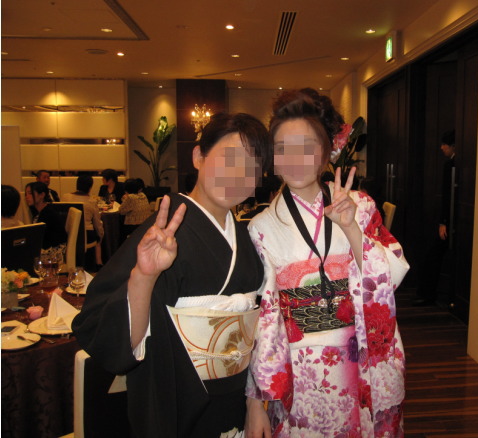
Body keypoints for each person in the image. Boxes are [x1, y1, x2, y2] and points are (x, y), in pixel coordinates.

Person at [73, 113, 271, 438]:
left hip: (238, 400)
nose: (239, 175)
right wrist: (143, 276)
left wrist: (254, 402)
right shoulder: (162, 233)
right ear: (198, 156)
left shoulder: (246, 239)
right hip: (178, 403)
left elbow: (260, 332)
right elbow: (105, 331)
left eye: (252, 167)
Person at [245, 89, 409, 437]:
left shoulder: (360, 206)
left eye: (306, 147)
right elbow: (264, 322)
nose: (294, 159)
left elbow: (393, 275)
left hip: (362, 359)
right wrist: (255, 401)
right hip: (301, 371)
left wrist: (350, 228)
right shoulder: (261, 227)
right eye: (283, 148)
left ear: (326, 151)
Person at [413, 130, 456, 306]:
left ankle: (428, 294)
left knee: (433, 256)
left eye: (445, 144)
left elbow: (448, 196)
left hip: (450, 221)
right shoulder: (451, 164)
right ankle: (427, 293)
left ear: (453, 146)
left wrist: (443, 222)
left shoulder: (451, 165)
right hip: (450, 220)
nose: (442, 147)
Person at [61, 175, 104, 267]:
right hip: (87, 235)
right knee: (98, 235)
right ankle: (98, 264)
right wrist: (101, 235)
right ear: (90, 187)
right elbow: (97, 223)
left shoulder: (65, 197)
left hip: (68, 233)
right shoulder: (91, 201)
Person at [25, 182, 67, 251]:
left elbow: (42, 240)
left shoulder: (48, 214)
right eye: (26, 194)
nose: (27, 197)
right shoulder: (39, 211)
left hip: (54, 251)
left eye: (30, 193)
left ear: (42, 195)